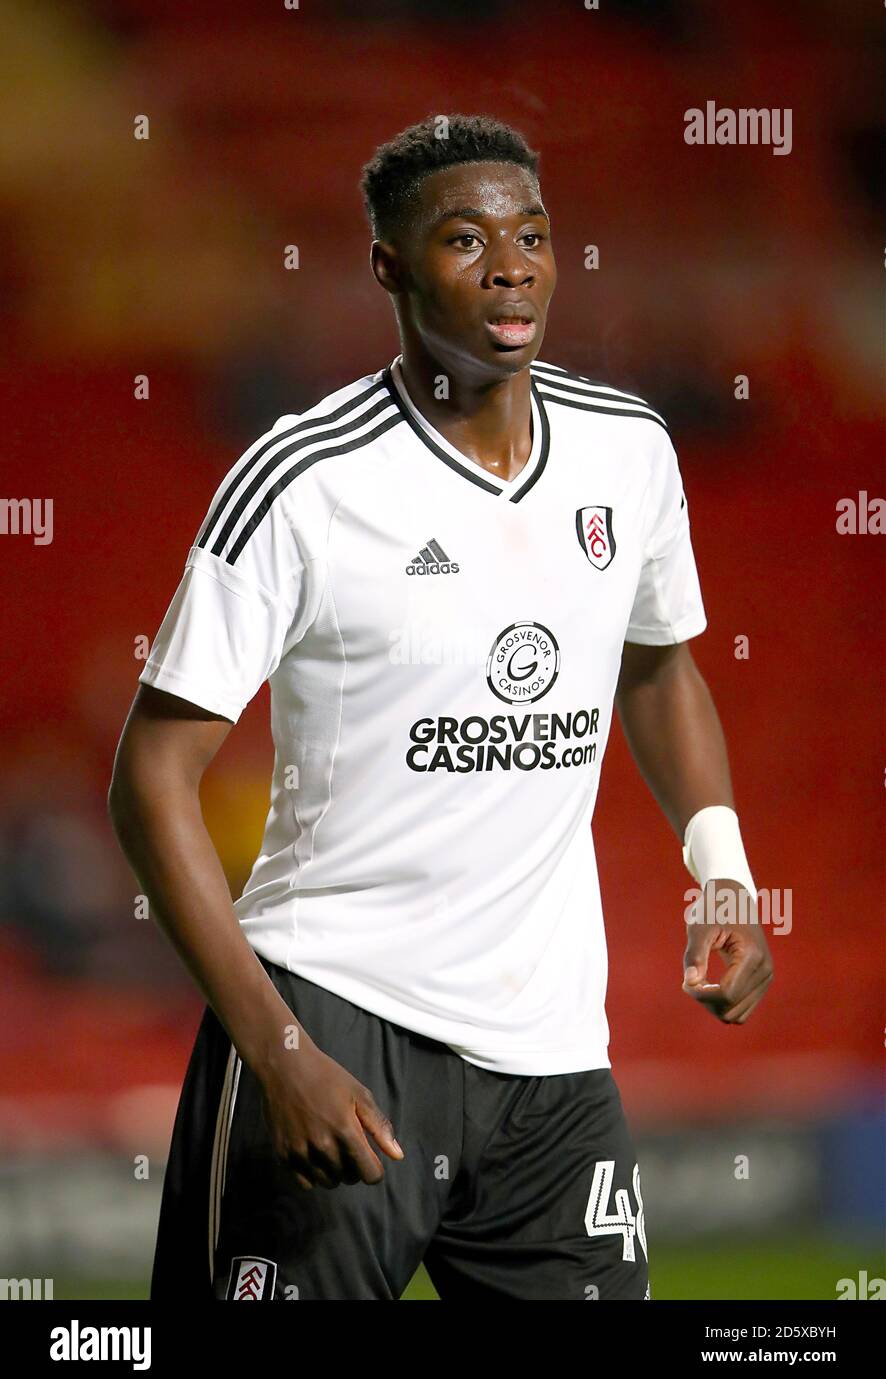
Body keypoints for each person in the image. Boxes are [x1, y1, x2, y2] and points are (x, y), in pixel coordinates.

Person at [108, 113, 773, 1302]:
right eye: (464, 239)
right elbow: (150, 776)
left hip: (554, 1056)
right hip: (337, 1020)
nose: (510, 264)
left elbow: (662, 665)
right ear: (388, 268)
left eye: (532, 235)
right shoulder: (303, 480)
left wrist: (720, 870)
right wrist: (281, 1052)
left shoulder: (628, 452)